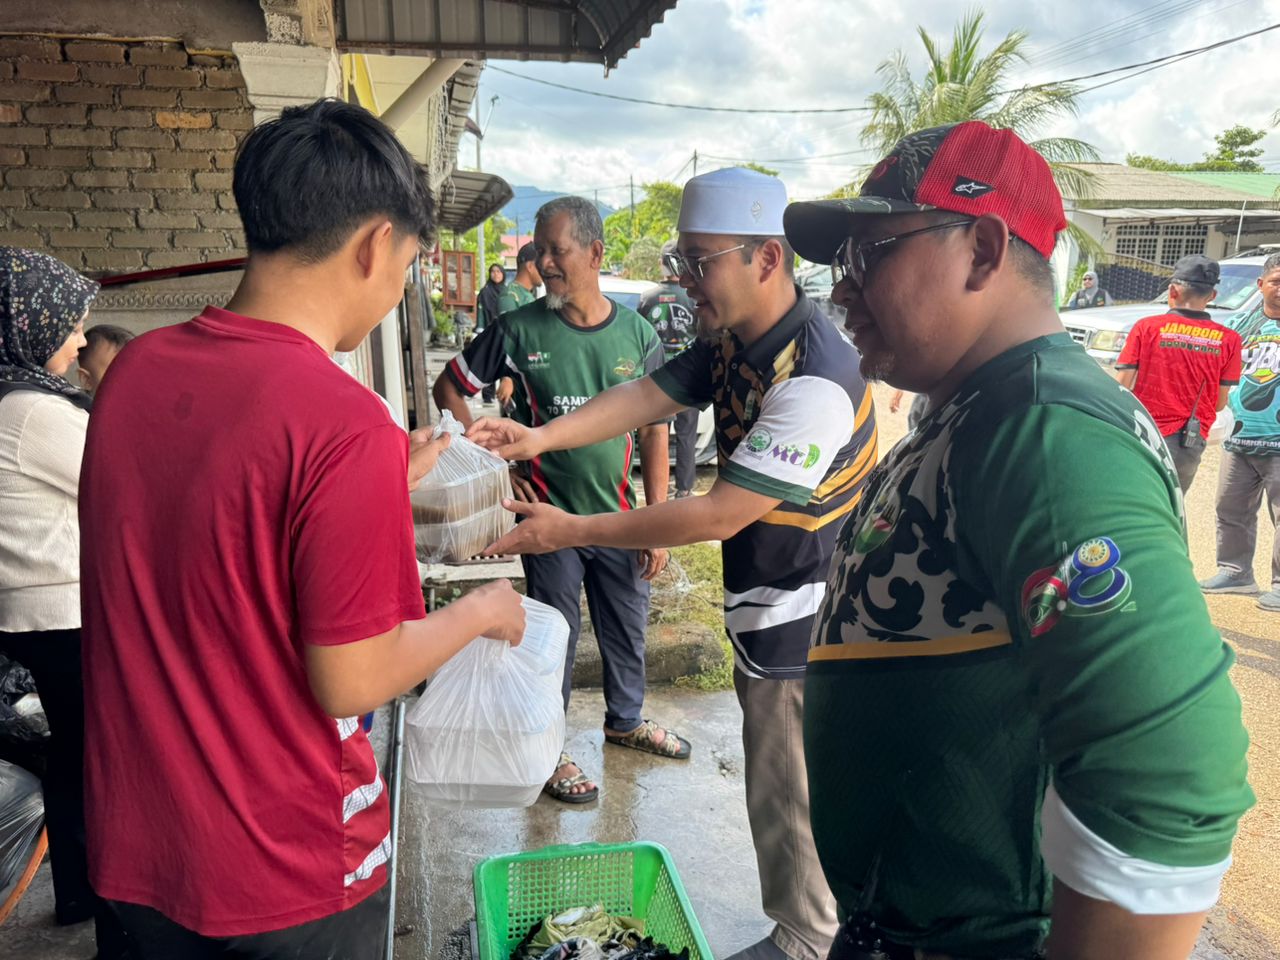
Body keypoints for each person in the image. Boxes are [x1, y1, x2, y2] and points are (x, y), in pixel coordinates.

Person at [783, 120, 1253, 960]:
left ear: (983, 249)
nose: (841, 292)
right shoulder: (976, 402)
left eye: (868, 255)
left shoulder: (1044, 432)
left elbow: (1171, 773)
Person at [78, 99, 524, 959]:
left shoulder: (133, 374)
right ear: (373, 246)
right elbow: (351, 679)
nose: (398, 288)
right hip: (283, 870)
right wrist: (483, 611)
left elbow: (212, 519)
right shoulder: (341, 423)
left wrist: (379, 480)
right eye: (407, 264)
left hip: (139, 848)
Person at [468, 167, 877, 960]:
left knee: (790, 796)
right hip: (764, 608)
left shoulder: (816, 376)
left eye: (700, 262)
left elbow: (719, 511)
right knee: (775, 790)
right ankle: (800, 927)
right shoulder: (733, 339)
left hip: (806, 625)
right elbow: (650, 396)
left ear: (766, 257)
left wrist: (572, 528)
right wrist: (538, 438)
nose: (686, 280)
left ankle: (803, 940)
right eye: (680, 261)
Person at [432, 196, 679, 805]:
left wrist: (656, 518)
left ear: (595, 253)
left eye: (556, 251)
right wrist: (493, 469)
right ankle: (549, 749)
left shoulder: (639, 335)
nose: (543, 264)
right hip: (547, 519)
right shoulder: (518, 329)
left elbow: (654, 431)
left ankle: (625, 721)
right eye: (539, 252)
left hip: (619, 520)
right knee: (552, 636)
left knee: (626, 625)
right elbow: (451, 387)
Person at [0, 248, 129, 959]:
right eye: (70, 325)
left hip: (43, 616)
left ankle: (82, 892)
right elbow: (121, 474)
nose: (80, 340)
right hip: (64, 613)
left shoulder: (17, 399)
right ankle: (109, 913)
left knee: (78, 756)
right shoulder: (27, 411)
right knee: (101, 761)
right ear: (32, 323)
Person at [1114, 255, 1241, 493]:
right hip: (1188, 442)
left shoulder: (1146, 328)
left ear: (1172, 291)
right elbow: (1218, 404)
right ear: (1212, 296)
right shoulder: (1229, 340)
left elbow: (1121, 386)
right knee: (1171, 508)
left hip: (1143, 433)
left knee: (1133, 503)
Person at [1200, 252, 1280, 611]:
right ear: (1260, 285)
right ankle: (1235, 572)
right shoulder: (1239, 326)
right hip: (1239, 437)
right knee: (1229, 507)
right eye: (1276, 281)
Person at [637, 240, 700, 498]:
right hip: (689, 375)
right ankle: (684, 489)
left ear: (663, 263)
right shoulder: (693, 296)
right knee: (686, 435)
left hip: (657, 378)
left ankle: (656, 490)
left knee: (654, 431)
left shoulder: (647, 298)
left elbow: (640, 337)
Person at [77, 323, 134, 395]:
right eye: (115, 373)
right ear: (86, 380)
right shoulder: (66, 405)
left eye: (134, 372)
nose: (127, 380)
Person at [498, 241, 541, 315]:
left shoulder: (526, 294)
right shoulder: (510, 296)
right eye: (541, 265)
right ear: (530, 266)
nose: (545, 271)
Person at [477, 261, 506, 330]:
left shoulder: (507, 291)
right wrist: (480, 327)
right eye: (493, 272)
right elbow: (480, 311)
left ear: (503, 274)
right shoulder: (484, 292)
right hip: (488, 328)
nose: (495, 274)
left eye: (498, 271)